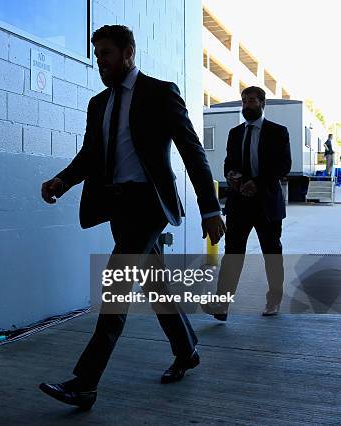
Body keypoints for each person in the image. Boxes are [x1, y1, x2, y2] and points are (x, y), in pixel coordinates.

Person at [38, 25, 225, 409]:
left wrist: (210, 208)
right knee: (155, 285)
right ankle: (187, 350)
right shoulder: (99, 103)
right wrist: (63, 180)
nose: (100, 63)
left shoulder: (160, 93)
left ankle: (85, 382)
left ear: (128, 53)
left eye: (106, 53)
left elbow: (192, 151)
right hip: (117, 206)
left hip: (150, 204)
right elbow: (91, 155)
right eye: (96, 56)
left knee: (115, 285)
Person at [202, 86, 291, 321]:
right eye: (244, 101)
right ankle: (221, 305)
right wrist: (231, 175)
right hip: (239, 202)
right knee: (233, 253)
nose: (247, 105)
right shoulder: (235, 133)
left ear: (262, 104)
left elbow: (283, 165)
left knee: (271, 253)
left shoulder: (278, 132)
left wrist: (258, 184)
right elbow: (229, 161)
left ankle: (274, 300)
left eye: (251, 101)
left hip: (267, 204)